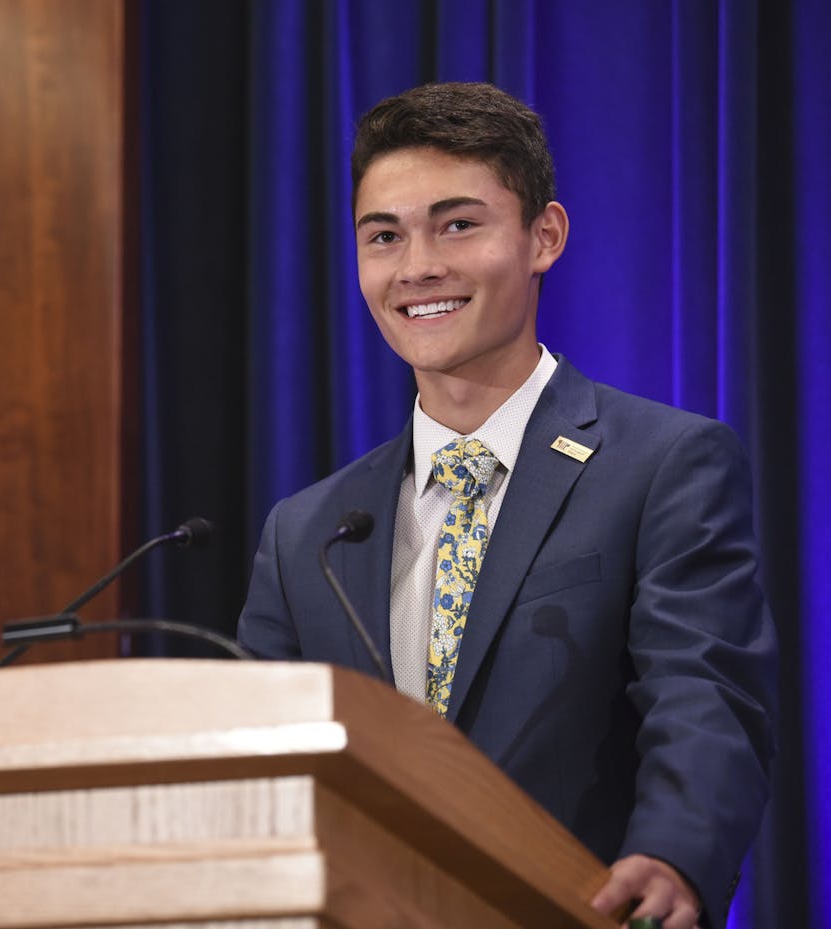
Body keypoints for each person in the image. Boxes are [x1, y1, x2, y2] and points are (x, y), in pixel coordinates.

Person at [237, 82, 776, 929]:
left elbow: (704, 694)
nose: (417, 266)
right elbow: (258, 769)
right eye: (384, 236)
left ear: (543, 237)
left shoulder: (664, 463)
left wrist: (674, 852)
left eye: (457, 224)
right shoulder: (310, 530)